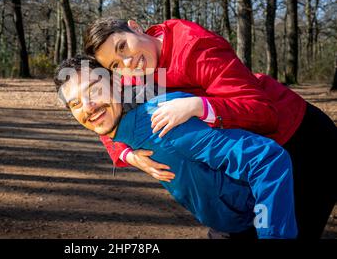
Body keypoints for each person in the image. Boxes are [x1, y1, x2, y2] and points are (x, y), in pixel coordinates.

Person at [83, 18, 337, 239]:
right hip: (239, 157)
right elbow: (105, 120)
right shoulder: (132, 74)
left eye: (122, 46)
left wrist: (198, 105)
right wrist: (130, 156)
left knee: (283, 229)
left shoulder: (196, 46)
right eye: (115, 65)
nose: (128, 63)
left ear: (135, 28)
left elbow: (262, 112)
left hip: (301, 142)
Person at [54, 55, 299, 239]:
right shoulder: (123, 128)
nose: (88, 106)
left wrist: (271, 231)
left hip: (252, 223)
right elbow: (106, 129)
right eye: (75, 103)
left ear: (117, 85)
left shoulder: (164, 123)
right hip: (223, 224)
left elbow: (267, 160)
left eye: (94, 90)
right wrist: (127, 155)